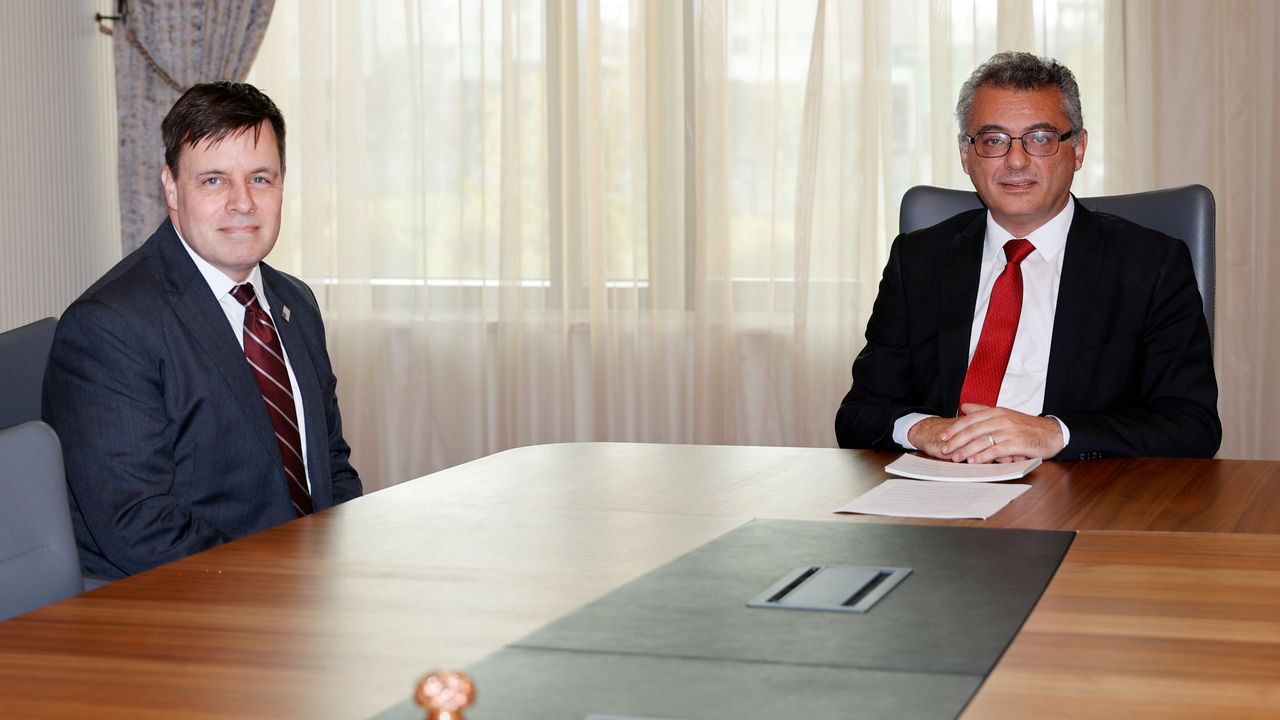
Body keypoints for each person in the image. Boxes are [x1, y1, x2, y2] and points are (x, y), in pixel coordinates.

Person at [834, 52, 1220, 462]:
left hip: (1080, 489)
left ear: (1078, 149)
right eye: (993, 140)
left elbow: (1192, 425)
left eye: (1040, 138)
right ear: (966, 156)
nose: (1016, 161)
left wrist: (1054, 433)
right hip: (942, 485)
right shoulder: (918, 261)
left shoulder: (1151, 265)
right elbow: (858, 415)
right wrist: (923, 429)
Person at [44, 82, 362, 579]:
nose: (243, 202)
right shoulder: (108, 328)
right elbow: (139, 526)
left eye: (260, 179)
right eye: (214, 180)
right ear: (171, 188)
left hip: (305, 586)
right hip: (182, 599)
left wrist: (346, 564)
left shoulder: (294, 301)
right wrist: (278, 581)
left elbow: (331, 465)